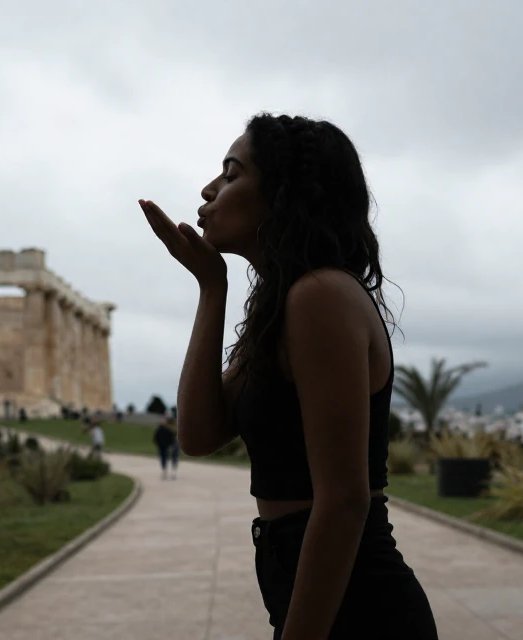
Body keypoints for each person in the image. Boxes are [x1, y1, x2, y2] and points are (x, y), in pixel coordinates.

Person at [140, 113, 437, 638]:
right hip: (319, 599)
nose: (209, 190)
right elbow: (199, 434)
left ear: (285, 193)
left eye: (232, 175)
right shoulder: (284, 306)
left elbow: (346, 500)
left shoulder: (319, 295)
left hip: (360, 611)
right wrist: (213, 287)